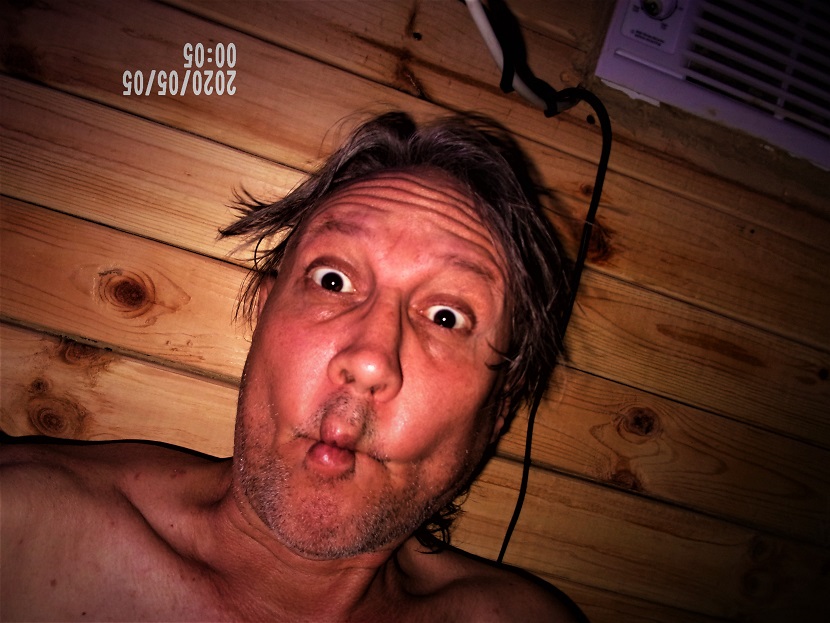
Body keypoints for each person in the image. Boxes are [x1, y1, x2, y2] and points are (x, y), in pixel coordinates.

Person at [0, 111, 586, 621]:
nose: (369, 361)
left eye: (446, 317)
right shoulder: (22, 532)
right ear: (262, 314)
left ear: (499, 410)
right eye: (332, 280)